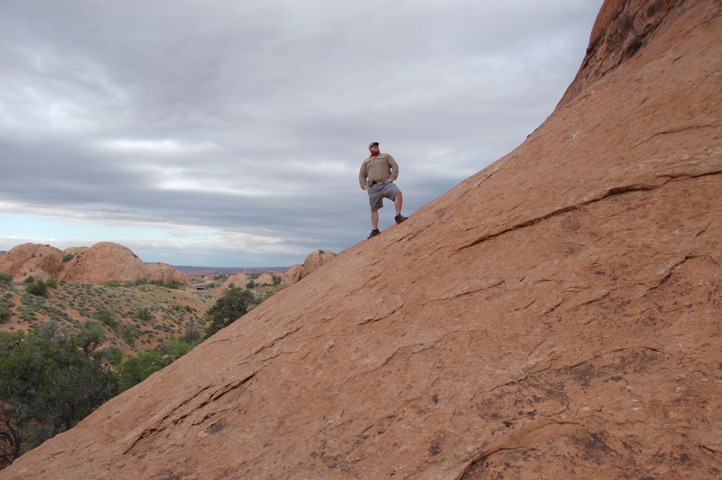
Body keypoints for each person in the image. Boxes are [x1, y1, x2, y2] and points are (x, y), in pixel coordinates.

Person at [359, 141, 407, 238]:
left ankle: (398, 216)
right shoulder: (366, 162)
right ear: (370, 149)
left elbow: (395, 166)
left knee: (398, 194)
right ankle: (375, 230)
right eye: (373, 146)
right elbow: (362, 175)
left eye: (377, 145)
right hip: (373, 187)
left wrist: (392, 177)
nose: (376, 147)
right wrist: (364, 186)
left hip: (386, 183)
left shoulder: (385, 156)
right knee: (373, 209)